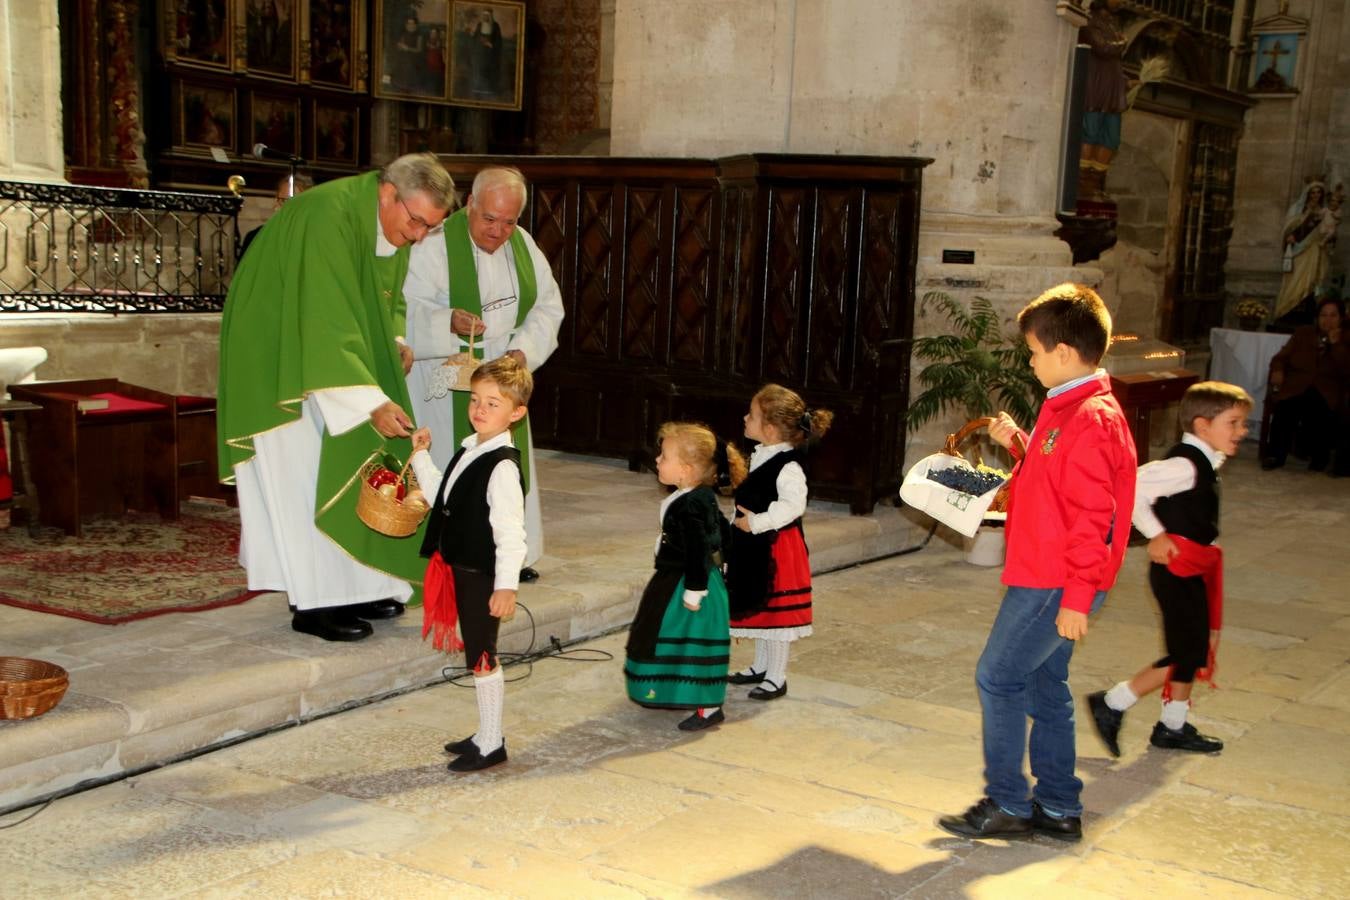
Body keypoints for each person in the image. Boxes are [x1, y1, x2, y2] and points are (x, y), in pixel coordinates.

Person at [218, 152, 456, 643]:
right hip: (280, 358)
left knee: (357, 466)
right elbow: (323, 318)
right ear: (388, 193)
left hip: (328, 358)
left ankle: (360, 586)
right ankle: (315, 603)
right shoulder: (327, 216)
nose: (418, 236)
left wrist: (393, 339)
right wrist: (370, 401)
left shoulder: (384, 222)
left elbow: (384, 296)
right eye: (416, 221)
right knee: (304, 476)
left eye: (429, 228)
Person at [937, 283, 1137, 843]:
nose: (1030, 362)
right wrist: (1021, 444)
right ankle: (1057, 806)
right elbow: (1060, 479)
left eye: (1034, 352)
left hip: (1056, 580)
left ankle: (1007, 802)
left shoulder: (1091, 418)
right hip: (1048, 572)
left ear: (1064, 353)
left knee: (998, 677)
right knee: (1045, 685)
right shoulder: (1069, 405)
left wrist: (1078, 598)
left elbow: (1095, 517)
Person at [403, 166, 565, 583]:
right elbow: (403, 307)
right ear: (470, 203)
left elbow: (548, 308)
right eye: (489, 218)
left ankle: (505, 555)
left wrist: (522, 351)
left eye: (509, 221)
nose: (498, 231)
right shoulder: (433, 244)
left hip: (499, 370)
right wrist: (447, 321)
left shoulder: (524, 245)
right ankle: (449, 555)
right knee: (450, 463)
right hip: (448, 375)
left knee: (503, 467)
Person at [1087, 381, 1253, 759]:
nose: (1242, 431)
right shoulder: (1184, 465)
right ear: (1202, 425)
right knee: (1186, 651)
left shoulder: (1204, 460)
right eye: (1234, 423)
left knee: (1192, 647)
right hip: (1175, 569)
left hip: (1194, 568)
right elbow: (1129, 489)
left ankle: (1172, 725)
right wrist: (1156, 534)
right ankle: (1112, 702)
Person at [410, 356, 530, 772]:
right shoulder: (471, 448)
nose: (479, 409)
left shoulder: (502, 466)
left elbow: (511, 533)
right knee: (477, 654)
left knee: (482, 655)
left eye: (493, 403)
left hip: (482, 574)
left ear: (516, 413)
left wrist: (506, 586)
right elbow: (444, 496)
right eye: (475, 399)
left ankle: (492, 742)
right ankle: (483, 734)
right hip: (462, 568)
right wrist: (420, 456)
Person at [624, 422, 744, 731]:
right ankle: (669, 689)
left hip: (689, 583)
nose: (657, 460)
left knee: (690, 642)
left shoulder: (692, 503)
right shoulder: (696, 495)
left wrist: (695, 589)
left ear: (686, 470)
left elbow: (698, 548)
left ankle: (709, 707)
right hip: (683, 577)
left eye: (664, 457)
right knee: (669, 638)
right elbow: (723, 531)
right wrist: (724, 563)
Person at [723, 385, 833, 702]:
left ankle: (776, 676)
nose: (745, 418)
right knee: (759, 605)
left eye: (751, 415)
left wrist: (757, 522)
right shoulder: (762, 454)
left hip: (776, 549)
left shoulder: (789, 466)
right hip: (753, 545)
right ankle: (760, 666)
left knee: (776, 615)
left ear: (770, 429)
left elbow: (793, 506)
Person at [1263, 297, 1350, 472]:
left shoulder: (1346, 339)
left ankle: (1319, 457)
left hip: (1327, 390)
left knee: (1318, 408)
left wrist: (1336, 346)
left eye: (1333, 315)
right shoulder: (1303, 333)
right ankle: (1275, 455)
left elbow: (1346, 370)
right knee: (1286, 407)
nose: (1328, 320)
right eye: (1323, 315)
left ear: (1341, 318)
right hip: (1297, 386)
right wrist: (1278, 370)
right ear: (1317, 318)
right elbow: (1280, 358)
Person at [1078, 0, 1129, 201]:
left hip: (1113, 89)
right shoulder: (1088, 20)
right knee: (1090, 133)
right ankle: (1081, 184)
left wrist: (1124, 81)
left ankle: (1095, 183)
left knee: (1111, 138)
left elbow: (1113, 61)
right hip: (1096, 88)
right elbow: (1103, 48)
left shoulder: (1112, 25)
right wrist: (1123, 42)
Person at [1273, 182, 1332, 321]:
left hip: (1314, 250)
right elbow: (1288, 227)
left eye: (1319, 192)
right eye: (1313, 192)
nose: (1316, 195)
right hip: (1298, 250)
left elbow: (1327, 230)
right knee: (1295, 278)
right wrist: (1290, 235)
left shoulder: (1324, 211)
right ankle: (1288, 307)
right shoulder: (1298, 208)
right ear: (1308, 194)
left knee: (1311, 280)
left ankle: (1306, 306)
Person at [237, 172, 314, 260]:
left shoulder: (315, 239)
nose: (289, 207)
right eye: (284, 201)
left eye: (296, 202)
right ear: (276, 202)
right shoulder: (256, 237)